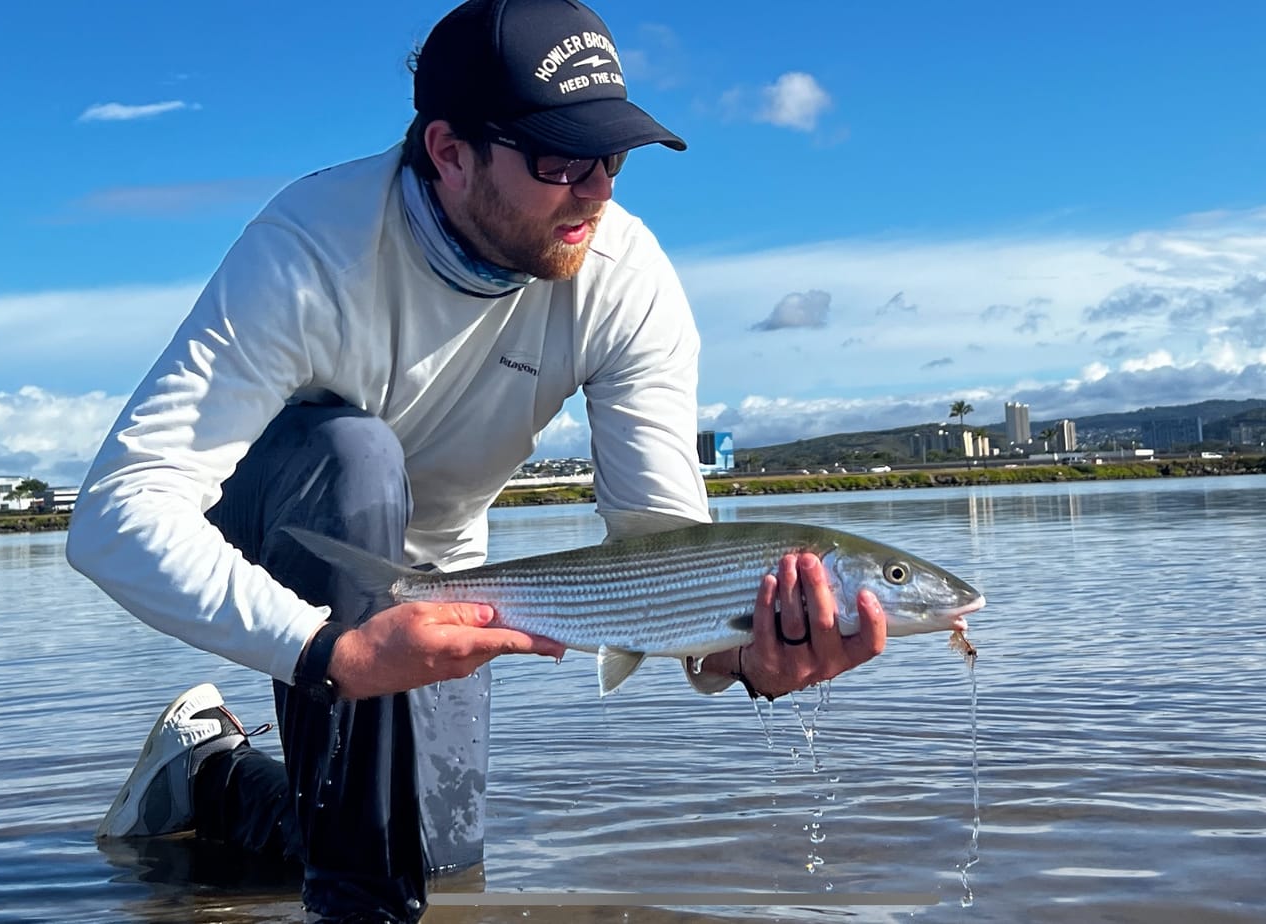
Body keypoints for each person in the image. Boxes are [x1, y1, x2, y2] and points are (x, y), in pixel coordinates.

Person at [64, 0, 891, 920]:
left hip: (440, 570)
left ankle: (207, 774)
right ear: (450, 151)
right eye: (559, 161)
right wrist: (326, 649)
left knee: (438, 864)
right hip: (276, 529)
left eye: (611, 157)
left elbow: (662, 545)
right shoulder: (309, 248)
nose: (597, 193)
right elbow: (116, 512)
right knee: (356, 457)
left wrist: (741, 654)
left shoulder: (626, 275)